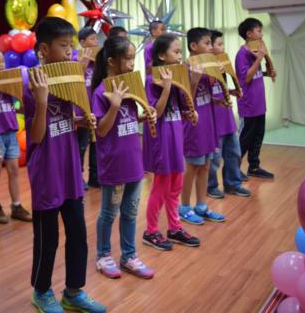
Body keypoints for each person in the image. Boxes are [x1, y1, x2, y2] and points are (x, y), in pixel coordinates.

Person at [25, 17, 106, 313]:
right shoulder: (31, 83)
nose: (70, 52)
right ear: (44, 50)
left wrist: (82, 120)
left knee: (78, 235)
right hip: (46, 172)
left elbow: (65, 120)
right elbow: (36, 136)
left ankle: (73, 291)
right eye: (64, 46)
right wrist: (42, 101)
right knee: (47, 239)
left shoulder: (69, 77)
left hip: (69, 168)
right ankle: (41, 291)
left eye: (71, 46)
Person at [92, 36, 156, 280]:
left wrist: (145, 115)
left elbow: (127, 120)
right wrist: (115, 105)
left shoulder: (129, 86)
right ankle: (103, 255)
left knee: (130, 212)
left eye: (132, 58)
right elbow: (101, 130)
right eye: (127, 59)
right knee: (109, 213)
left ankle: (129, 256)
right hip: (114, 164)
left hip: (134, 162)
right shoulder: (101, 92)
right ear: (111, 61)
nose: (131, 64)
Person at [142, 34, 200, 251]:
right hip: (160, 139)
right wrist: (166, 87)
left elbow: (184, 107)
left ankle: (174, 227)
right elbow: (155, 113)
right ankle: (151, 231)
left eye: (180, 51)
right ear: (161, 55)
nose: (180, 55)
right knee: (161, 186)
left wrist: (190, 112)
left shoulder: (177, 75)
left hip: (176, 137)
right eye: (176, 51)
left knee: (176, 185)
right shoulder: (152, 80)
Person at [179, 28, 226, 225]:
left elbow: (206, 95)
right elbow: (185, 102)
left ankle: (201, 205)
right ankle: (184, 207)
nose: (211, 47)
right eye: (206, 43)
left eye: (211, 43)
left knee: (206, 165)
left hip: (208, 122)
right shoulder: (184, 68)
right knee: (191, 166)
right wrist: (194, 81)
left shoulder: (207, 65)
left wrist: (218, 100)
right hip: (193, 125)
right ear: (193, 46)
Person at [0, 47, 31, 224]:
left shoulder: (8, 80)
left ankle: (16, 206)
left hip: (10, 131)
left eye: (3, 61)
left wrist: (21, 103)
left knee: (14, 170)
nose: (2, 65)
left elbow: (15, 105)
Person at [207, 30, 252, 198]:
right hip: (213, 121)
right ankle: (211, 186)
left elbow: (221, 90)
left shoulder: (222, 64)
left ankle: (233, 184)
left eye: (222, 44)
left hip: (227, 119)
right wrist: (213, 74)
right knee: (214, 159)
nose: (223, 47)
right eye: (219, 44)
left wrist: (232, 91)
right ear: (209, 47)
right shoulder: (200, 69)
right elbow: (200, 95)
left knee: (234, 153)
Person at [235, 17, 276, 179]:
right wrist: (259, 58)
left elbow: (255, 73)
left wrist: (267, 73)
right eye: (259, 31)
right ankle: (234, 169)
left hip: (259, 103)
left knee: (258, 136)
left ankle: (254, 167)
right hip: (248, 104)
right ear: (249, 34)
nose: (262, 35)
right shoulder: (242, 54)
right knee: (246, 138)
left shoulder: (255, 50)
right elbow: (246, 78)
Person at [77, 26, 100, 188]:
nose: (96, 42)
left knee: (96, 143)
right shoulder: (75, 57)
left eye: (96, 38)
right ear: (83, 42)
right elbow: (74, 81)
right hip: (81, 108)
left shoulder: (97, 59)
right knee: (81, 145)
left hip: (95, 107)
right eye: (92, 39)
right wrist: (83, 64)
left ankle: (94, 176)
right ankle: (78, 178)